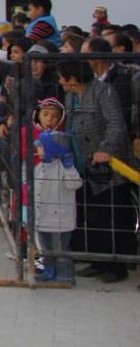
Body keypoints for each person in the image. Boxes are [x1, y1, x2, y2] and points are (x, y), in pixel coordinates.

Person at [58, 61, 134, 283]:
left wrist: (105, 149)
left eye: (62, 77)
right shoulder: (71, 97)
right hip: (84, 165)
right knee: (90, 216)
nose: (60, 81)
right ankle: (98, 261)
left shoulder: (104, 92)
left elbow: (116, 124)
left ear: (73, 79)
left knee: (109, 217)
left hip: (109, 167)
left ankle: (116, 266)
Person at [31, 99, 81, 283]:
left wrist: (68, 166)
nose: (40, 151)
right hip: (42, 216)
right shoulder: (39, 167)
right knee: (46, 248)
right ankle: (50, 270)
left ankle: (66, 275)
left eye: (43, 148)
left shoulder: (63, 167)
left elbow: (74, 184)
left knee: (61, 249)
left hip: (61, 218)